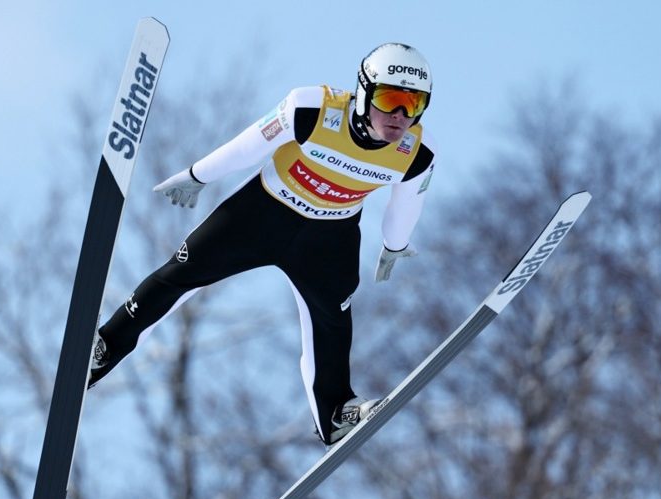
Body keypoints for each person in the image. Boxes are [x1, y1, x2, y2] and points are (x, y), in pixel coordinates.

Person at [90, 43, 437, 446]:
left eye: (413, 104)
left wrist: (394, 245)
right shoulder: (313, 109)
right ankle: (103, 348)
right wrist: (198, 175)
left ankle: (335, 412)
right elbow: (251, 144)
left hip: (328, 238)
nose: (400, 116)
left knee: (332, 320)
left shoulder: (417, 153)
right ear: (363, 93)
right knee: (180, 273)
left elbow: (406, 204)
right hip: (261, 214)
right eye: (390, 99)